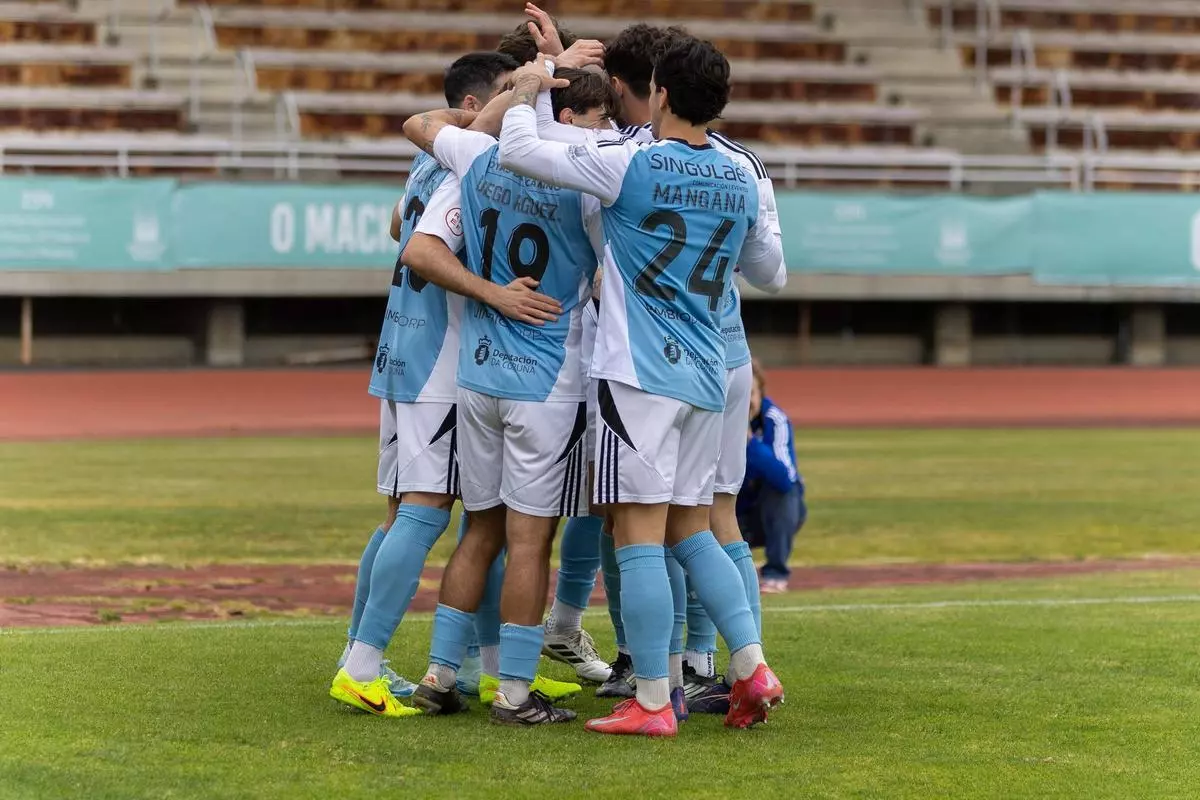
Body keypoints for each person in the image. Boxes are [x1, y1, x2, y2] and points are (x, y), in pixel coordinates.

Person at [498, 35, 787, 735]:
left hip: (637, 373)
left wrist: (535, 83)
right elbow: (767, 270)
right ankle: (751, 666)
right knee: (693, 528)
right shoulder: (741, 174)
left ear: (660, 94)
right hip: (707, 370)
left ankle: (654, 700)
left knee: (637, 536)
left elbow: (518, 150)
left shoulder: (630, 160)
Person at [330, 51, 560, 719]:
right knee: (429, 512)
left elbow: (395, 223)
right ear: (476, 106)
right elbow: (418, 247)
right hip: (440, 359)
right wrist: (495, 293)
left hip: (402, 349)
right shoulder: (467, 166)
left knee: (430, 516)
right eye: (510, 94)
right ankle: (362, 666)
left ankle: (457, 663)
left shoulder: (429, 162)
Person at [401, 63, 618, 726]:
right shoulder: (585, 177)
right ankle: (516, 691)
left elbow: (419, 124)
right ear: (572, 116)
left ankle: (439, 673)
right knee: (530, 541)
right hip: (546, 380)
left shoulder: (476, 153)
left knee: (479, 531)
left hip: (478, 374)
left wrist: (526, 83)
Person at [740, 359, 806, 593]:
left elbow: (784, 479)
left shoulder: (774, 420)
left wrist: (749, 441)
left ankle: (776, 574)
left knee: (784, 491)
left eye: (750, 394)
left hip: (766, 515)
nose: (745, 402)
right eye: (737, 394)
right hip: (727, 514)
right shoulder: (711, 422)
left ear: (761, 394)